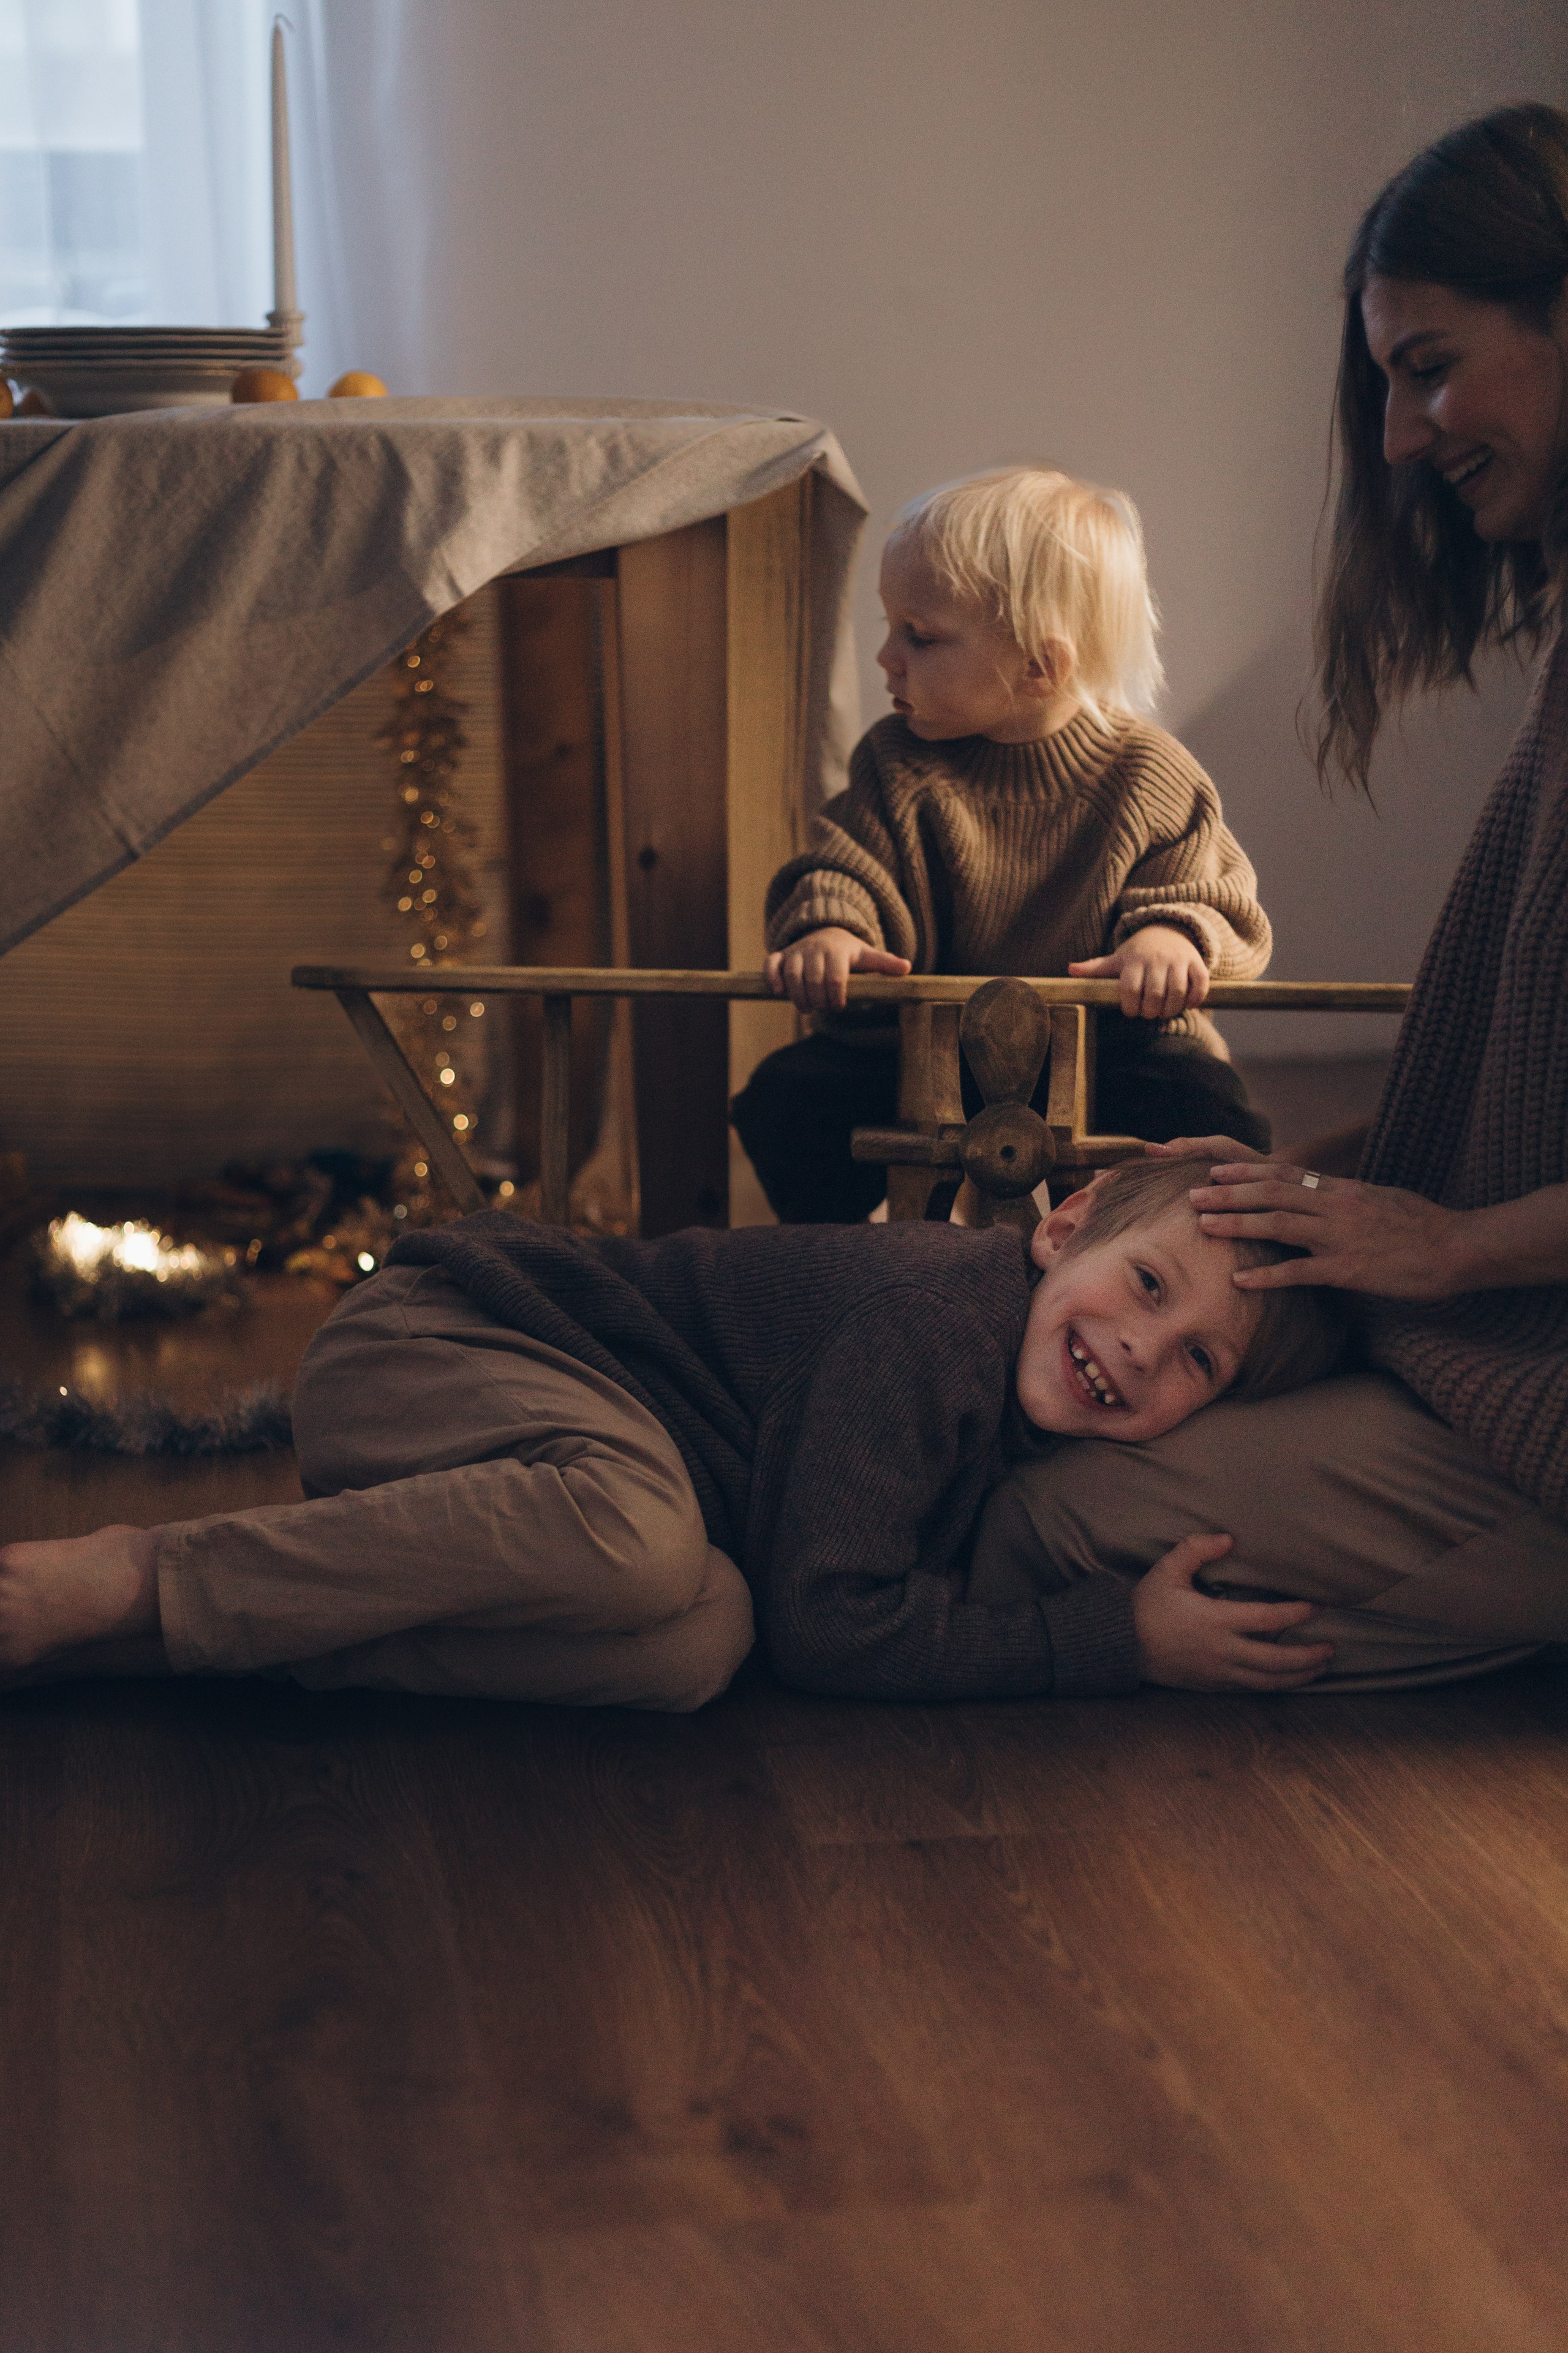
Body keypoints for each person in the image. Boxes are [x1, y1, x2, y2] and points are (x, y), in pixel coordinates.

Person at [970, 102, 1568, 1693]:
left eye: (1429, 366)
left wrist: (1446, 1251)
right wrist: (1292, 1189)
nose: (1396, 440)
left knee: (1046, 1522)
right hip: (1499, 1357)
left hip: (1532, 1398)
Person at [0, 1159, 1344, 1708]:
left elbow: (785, 1616)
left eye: (1195, 1364)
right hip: (444, 1339)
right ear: (1061, 1223)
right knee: (650, 1542)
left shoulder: (1022, 1386)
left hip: (542, 1465)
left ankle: (250, 1637)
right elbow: (837, 1621)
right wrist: (1114, 1641)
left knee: (697, 1640)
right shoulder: (944, 1317)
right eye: (1148, 1287)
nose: (1136, 1350)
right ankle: (137, 1571)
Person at [730, 466, 1273, 1224]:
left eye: (919, 636)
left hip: (1108, 1048)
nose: (887, 656)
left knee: (1207, 1119)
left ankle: (1164, 1257)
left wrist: (1170, 934)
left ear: (1039, 666)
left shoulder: (1147, 772)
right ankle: (846, 1260)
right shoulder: (895, 762)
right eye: (890, 626)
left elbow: (1205, 887)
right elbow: (843, 863)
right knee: (788, 1097)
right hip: (930, 1047)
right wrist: (832, 928)